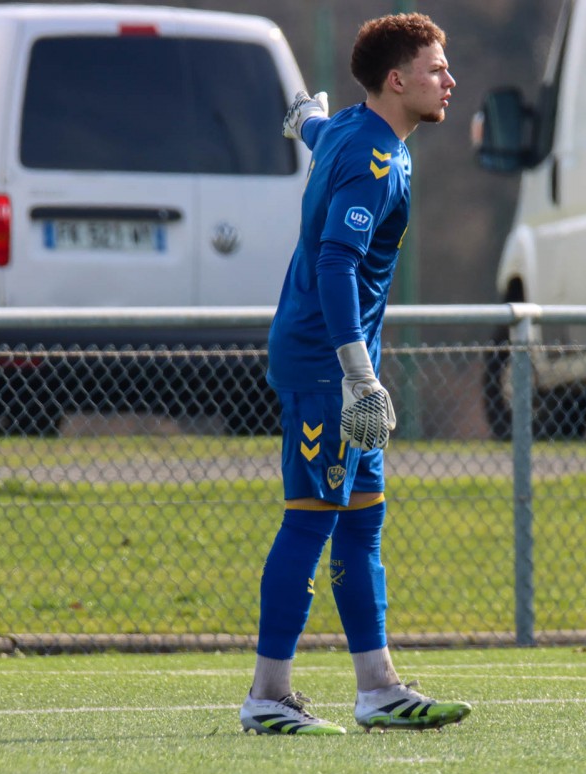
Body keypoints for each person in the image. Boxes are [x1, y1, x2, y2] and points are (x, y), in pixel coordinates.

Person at [239, 13, 469, 736]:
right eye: (436, 69)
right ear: (396, 81)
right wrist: (359, 376)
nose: (450, 80)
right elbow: (337, 262)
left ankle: (378, 688)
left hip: (337, 364)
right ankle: (267, 697)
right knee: (310, 521)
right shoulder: (376, 159)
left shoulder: (350, 128)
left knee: (363, 523)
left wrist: (303, 118)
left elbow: (317, 130)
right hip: (325, 366)